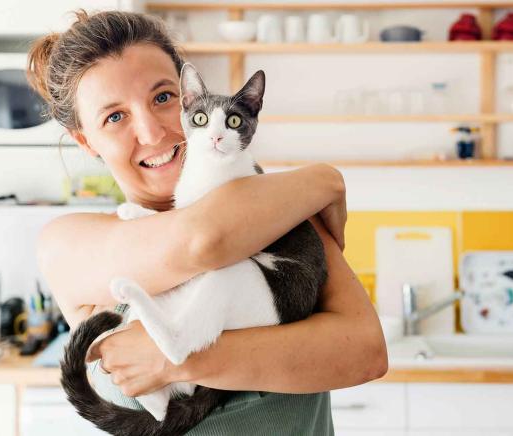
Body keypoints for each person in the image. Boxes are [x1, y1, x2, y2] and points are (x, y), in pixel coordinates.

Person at [27, 9, 387, 435]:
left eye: (162, 98)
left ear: (188, 98)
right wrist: (321, 180)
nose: (152, 132)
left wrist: (176, 358)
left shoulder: (282, 209)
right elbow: (202, 238)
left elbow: (366, 354)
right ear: (86, 140)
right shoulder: (69, 242)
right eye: (115, 116)